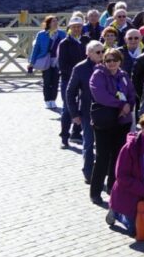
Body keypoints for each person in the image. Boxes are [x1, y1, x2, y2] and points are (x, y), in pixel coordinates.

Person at [106, 110, 144, 234]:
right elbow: (121, 177)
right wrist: (143, 190)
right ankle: (117, 212)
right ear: (142, 127)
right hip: (130, 191)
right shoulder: (130, 148)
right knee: (135, 230)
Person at [89, 49, 136, 206]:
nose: (111, 63)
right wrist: (122, 104)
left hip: (122, 122)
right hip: (105, 122)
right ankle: (95, 192)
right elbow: (100, 96)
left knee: (117, 156)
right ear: (104, 61)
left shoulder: (123, 75)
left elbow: (131, 92)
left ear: (120, 61)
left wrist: (129, 104)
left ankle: (112, 188)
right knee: (102, 157)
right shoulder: (98, 75)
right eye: (108, 60)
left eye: (114, 60)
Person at [67, 41, 103, 183]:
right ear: (88, 53)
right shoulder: (80, 68)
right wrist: (74, 114)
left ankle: (103, 171)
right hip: (87, 112)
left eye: (102, 51)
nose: (101, 54)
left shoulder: (108, 64)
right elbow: (70, 92)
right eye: (97, 52)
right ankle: (88, 172)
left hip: (106, 111)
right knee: (89, 143)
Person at [57, 16, 87, 148]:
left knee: (83, 106)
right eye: (74, 26)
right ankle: (64, 136)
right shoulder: (64, 43)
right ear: (69, 28)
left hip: (84, 80)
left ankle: (76, 132)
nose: (76, 29)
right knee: (68, 108)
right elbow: (62, 65)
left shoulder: (86, 41)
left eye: (79, 26)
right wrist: (76, 74)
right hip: (68, 80)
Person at [30, 15, 66, 109]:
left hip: (57, 60)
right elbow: (36, 48)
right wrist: (31, 62)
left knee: (55, 81)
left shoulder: (62, 34)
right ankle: (47, 100)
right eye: (53, 21)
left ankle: (53, 100)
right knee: (47, 80)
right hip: (45, 59)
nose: (55, 23)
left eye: (56, 21)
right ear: (48, 23)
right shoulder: (41, 34)